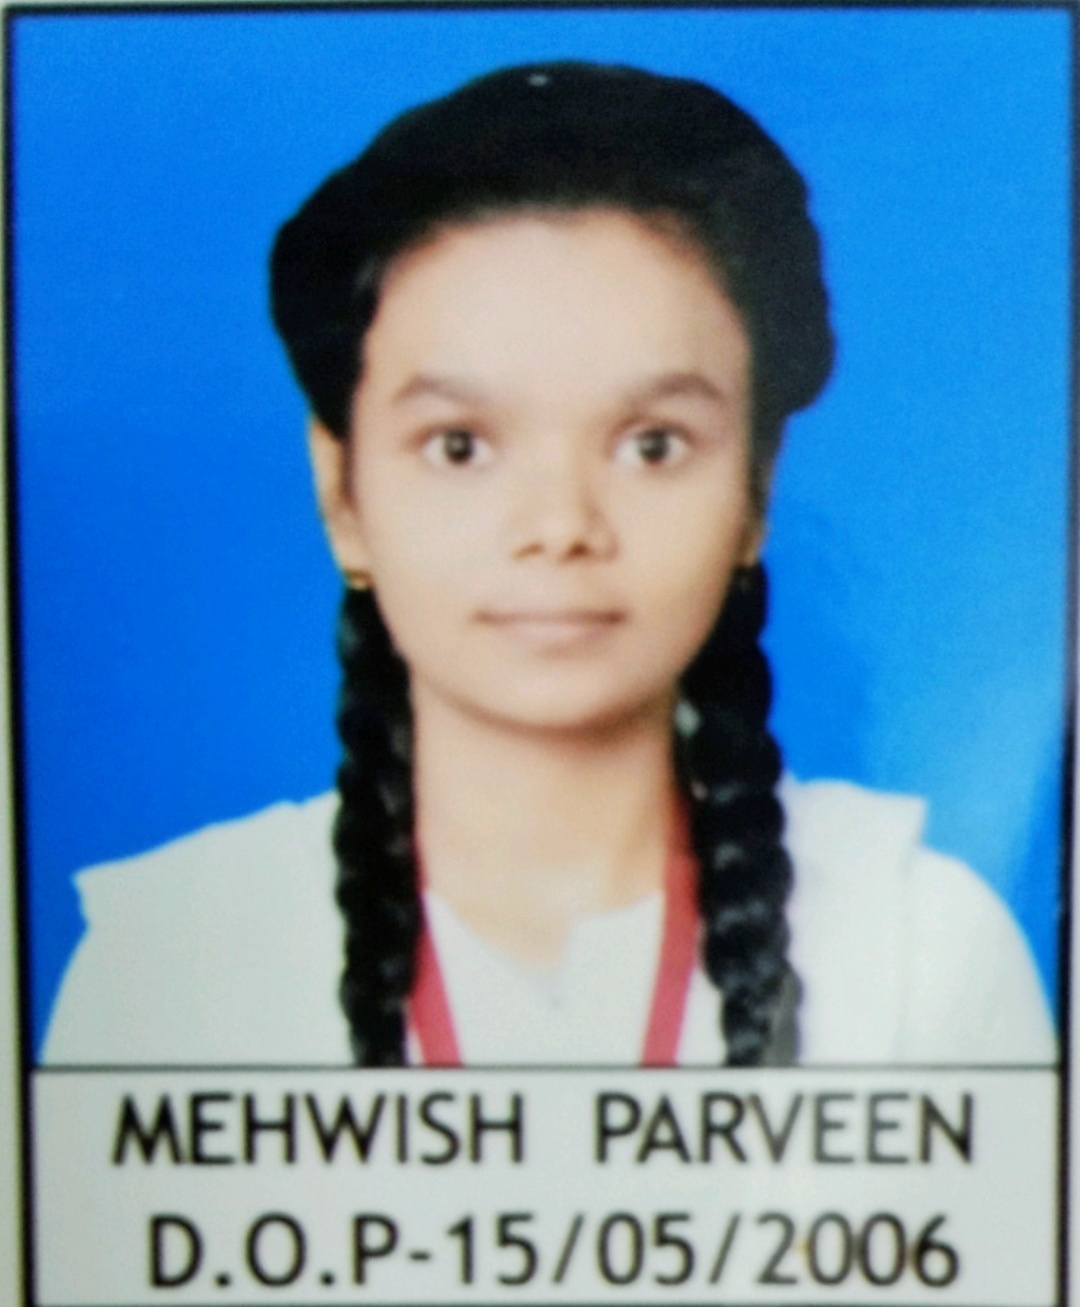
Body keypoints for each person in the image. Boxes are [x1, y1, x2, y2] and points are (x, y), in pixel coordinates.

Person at [43, 61, 1054, 1068]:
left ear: (756, 486)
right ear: (342, 493)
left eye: (652, 443)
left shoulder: (920, 943)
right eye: (460, 445)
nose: (561, 526)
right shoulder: (169, 962)